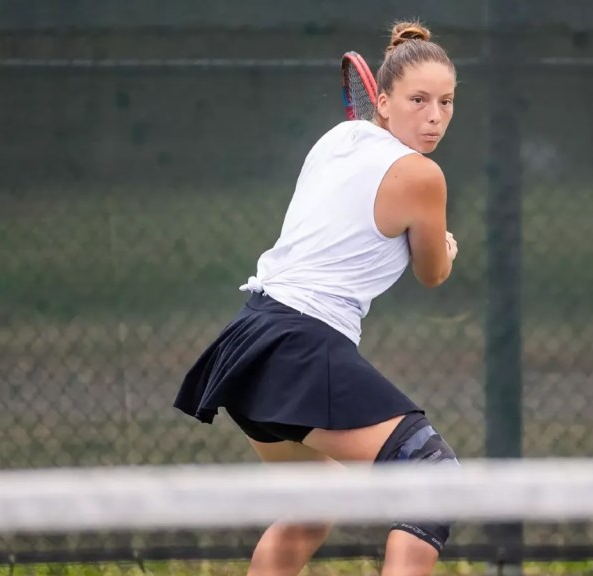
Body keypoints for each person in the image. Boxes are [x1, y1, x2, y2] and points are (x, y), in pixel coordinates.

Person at [173, 20, 461, 576]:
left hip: (250, 336)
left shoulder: (337, 138)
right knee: (431, 476)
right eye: (418, 99)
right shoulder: (423, 176)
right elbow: (432, 273)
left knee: (313, 506)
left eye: (446, 102)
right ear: (380, 101)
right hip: (298, 342)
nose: (434, 116)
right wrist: (444, 247)